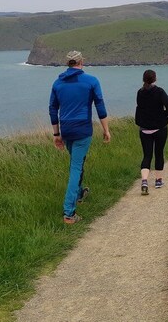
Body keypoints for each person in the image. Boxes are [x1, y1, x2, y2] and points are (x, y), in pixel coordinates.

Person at [49, 50, 111, 224]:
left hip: (67, 131)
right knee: (75, 167)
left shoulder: (57, 83)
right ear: (81, 62)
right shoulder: (91, 81)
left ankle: (79, 194)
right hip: (83, 130)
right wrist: (106, 130)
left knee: (76, 163)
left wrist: (56, 134)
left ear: (68, 63)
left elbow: (53, 109)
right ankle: (69, 213)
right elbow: (100, 106)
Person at [134, 69, 168, 195]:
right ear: (155, 79)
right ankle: (158, 180)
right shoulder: (159, 91)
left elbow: (139, 106)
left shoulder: (140, 93)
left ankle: (144, 181)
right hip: (159, 127)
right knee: (159, 153)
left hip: (144, 128)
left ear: (143, 79)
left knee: (147, 155)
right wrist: (164, 115)